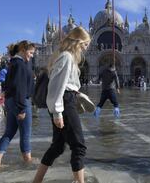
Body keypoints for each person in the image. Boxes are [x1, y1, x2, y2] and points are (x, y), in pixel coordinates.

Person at [33, 26, 91, 183]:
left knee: (58, 146)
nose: (87, 47)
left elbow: (67, 84)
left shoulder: (68, 57)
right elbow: (55, 86)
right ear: (78, 42)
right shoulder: (66, 57)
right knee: (79, 146)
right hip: (64, 103)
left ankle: (37, 180)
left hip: (66, 100)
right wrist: (57, 112)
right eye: (85, 44)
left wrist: (77, 95)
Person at [0, 40, 36, 168]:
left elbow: (8, 84)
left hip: (11, 101)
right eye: (30, 53)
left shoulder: (12, 63)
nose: (32, 55)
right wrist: (21, 109)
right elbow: (20, 87)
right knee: (25, 134)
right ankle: (28, 163)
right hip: (21, 102)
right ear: (22, 50)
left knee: (9, 132)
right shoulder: (20, 64)